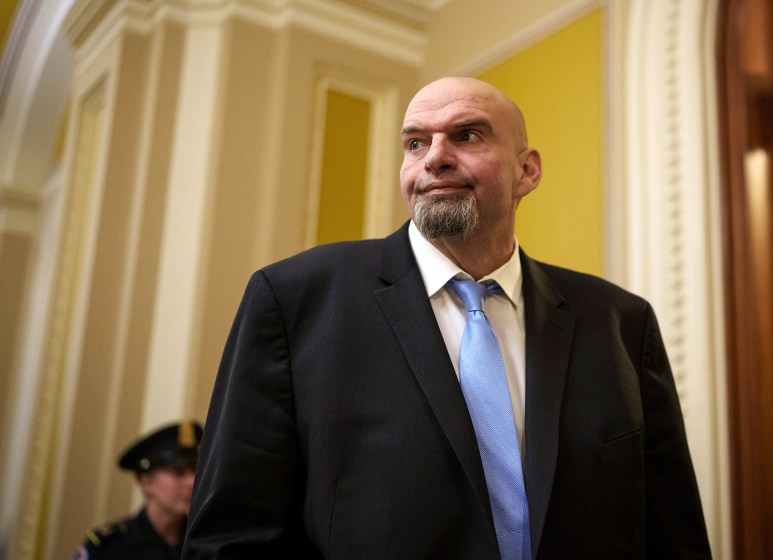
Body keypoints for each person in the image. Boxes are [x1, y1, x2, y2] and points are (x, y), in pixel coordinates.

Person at [183, 77, 711, 558]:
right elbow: (232, 535)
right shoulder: (294, 300)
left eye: (467, 135)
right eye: (416, 143)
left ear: (527, 171)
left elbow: (672, 530)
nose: (434, 158)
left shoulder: (620, 322)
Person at [73, 420, 203, 560]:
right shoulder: (110, 548)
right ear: (147, 483)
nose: (192, 482)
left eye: (195, 470)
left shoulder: (205, 541)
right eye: (178, 472)